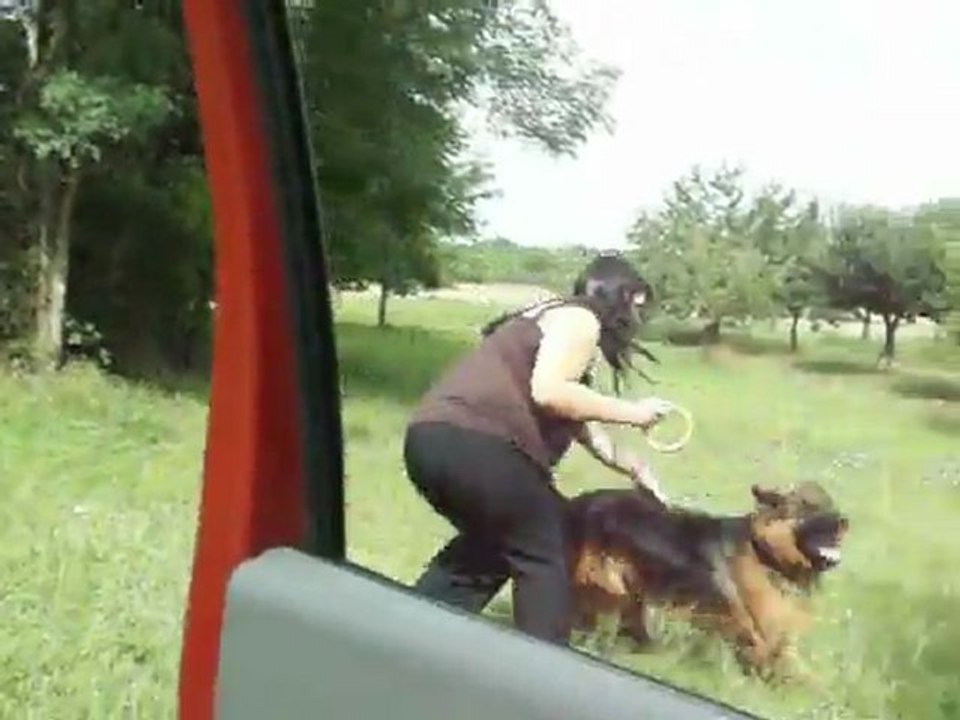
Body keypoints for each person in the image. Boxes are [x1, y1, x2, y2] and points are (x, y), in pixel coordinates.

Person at [402, 252, 674, 645]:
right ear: (618, 294)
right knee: (546, 547)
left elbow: (578, 419)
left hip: (431, 440)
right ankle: (543, 677)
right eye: (636, 305)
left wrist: (632, 466)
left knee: (488, 549)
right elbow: (550, 392)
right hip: (480, 445)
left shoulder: (550, 315)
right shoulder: (581, 319)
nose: (635, 320)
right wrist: (634, 413)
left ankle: (409, 636)